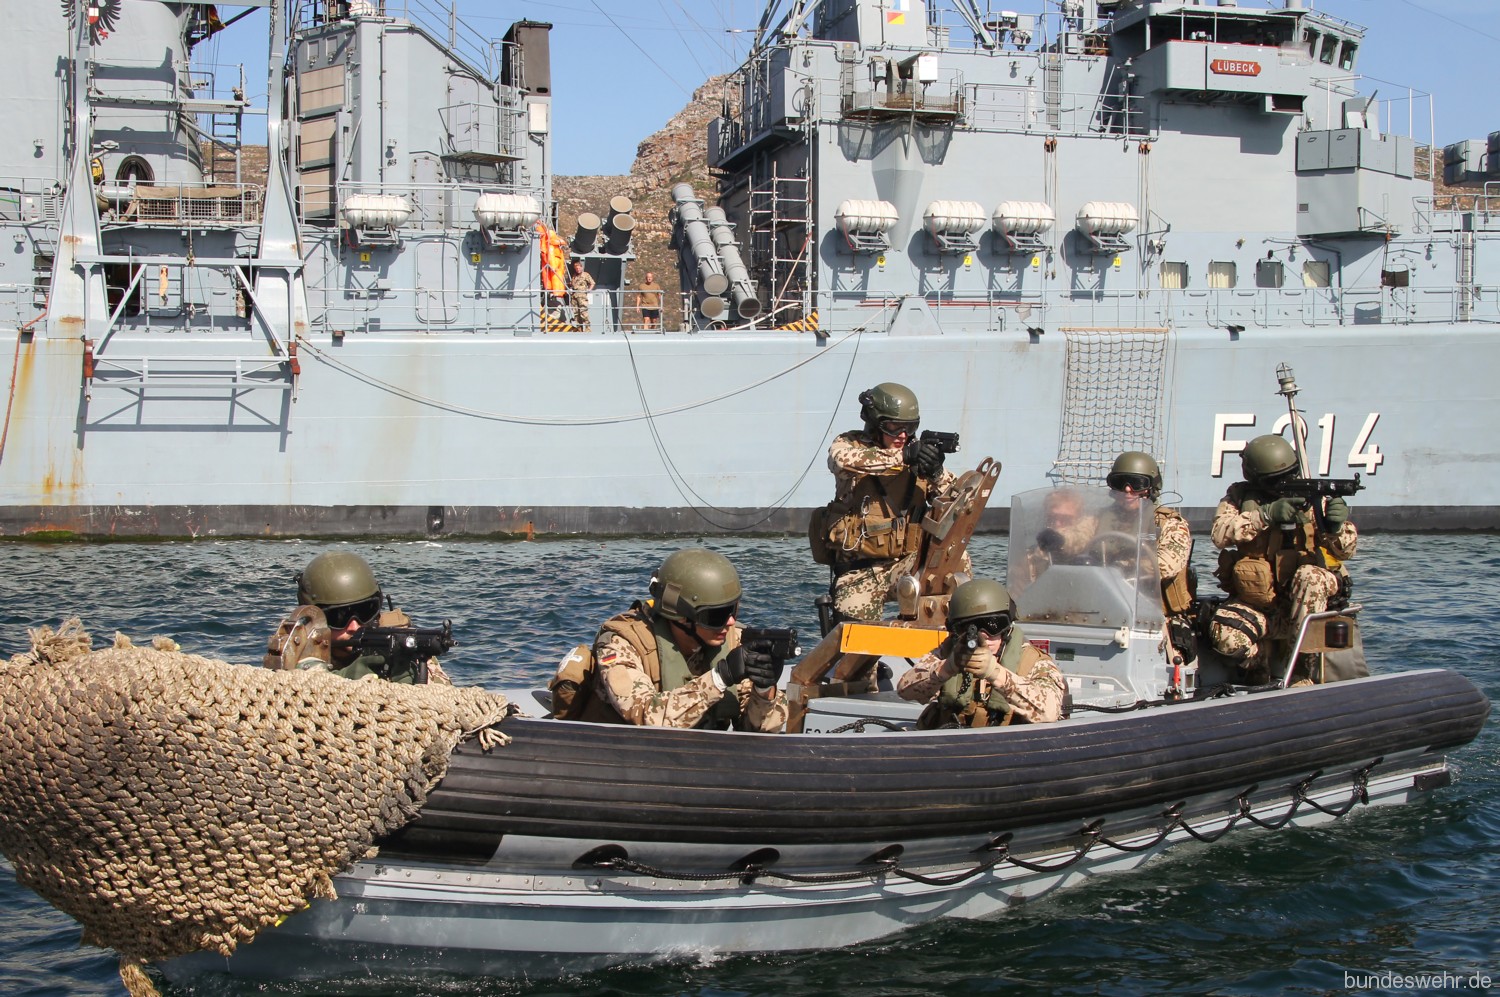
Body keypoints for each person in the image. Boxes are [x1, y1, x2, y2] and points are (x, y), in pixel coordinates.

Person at [1208, 434, 1358, 683]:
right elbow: (1219, 535)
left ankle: (1301, 672)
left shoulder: (1311, 499)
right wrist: (1264, 515)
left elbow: (1346, 551)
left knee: (1311, 576)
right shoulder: (1239, 497)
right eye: (1276, 481)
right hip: (1261, 608)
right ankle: (1257, 673)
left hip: (1306, 609)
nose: (1286, 483)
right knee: (1225, 634)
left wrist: (1335, 527)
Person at [587, 548, 789, 731]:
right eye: (716, 616)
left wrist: (764, 690)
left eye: (733, 609)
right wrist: (720, 677)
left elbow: (756, 732)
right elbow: (646, 717)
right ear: (682, 616)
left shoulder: (731, 639)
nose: (730, 622)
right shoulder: (621, 644)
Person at [818, 382, 962, 623]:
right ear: (875, 424)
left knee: (958, 557)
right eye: (894, 428)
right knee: (857, 650)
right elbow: (841, 461)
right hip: (858, 573)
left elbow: (956, 502)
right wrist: (903, 456)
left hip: (907, 566)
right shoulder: (850, 445)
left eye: (910, 428)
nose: (902, 436)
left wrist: (935, 472)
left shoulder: (916, 454)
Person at [897, 578, 1067, 726]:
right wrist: (947, 668)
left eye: (994, 625)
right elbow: (905, 689)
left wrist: (996, 674)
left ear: (1008, 627)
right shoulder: (950, 652)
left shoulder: (1032, 661)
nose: (985, 637)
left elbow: (1049, 711)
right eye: (972, 628)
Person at [263, 550, 439, 683]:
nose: (354, 626)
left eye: (365, 612)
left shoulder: (399, 642)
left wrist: (411, 677)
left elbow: (445, 696)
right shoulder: (297, 646)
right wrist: (349, 677)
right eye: (339, 617)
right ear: (314, 618)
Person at [1099, 451, 1194, 614]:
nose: (1128, 489)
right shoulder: (1100, 518)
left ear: (1151, 487)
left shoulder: (1169, 524)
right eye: (1120, 482)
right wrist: (1059, 542)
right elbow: (1078, 535)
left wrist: (1122, 567)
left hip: (1156, 612)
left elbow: (1166, 565)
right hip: (1104, 606)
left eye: (1137, 483)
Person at [568, 259, 596, 332]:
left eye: (579, 268)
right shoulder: (574, 276)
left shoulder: (585, 275)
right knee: (576, 314)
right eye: (576, 268)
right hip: (574, 297)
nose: (578, 269)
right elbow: (572, 284)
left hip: (582, 297)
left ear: (581, 267)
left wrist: (589, 290)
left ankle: (587, 330)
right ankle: (579, 330)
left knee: (584, 313)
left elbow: (592, 283)